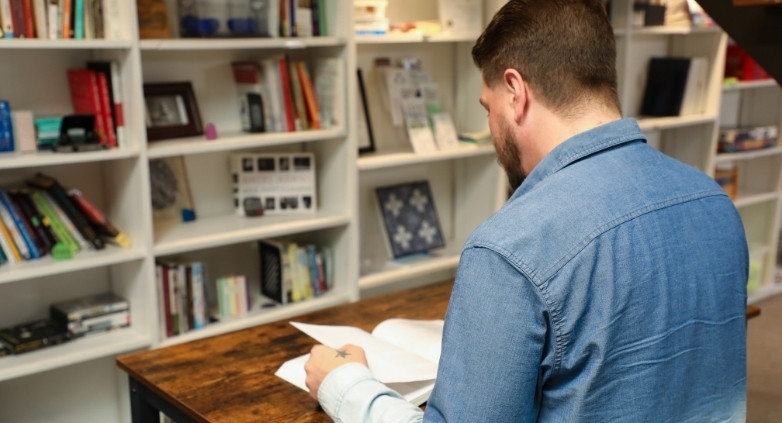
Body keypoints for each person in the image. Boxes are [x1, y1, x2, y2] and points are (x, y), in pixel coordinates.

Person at [305, 0, 749, 421]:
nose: (490, 123)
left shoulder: (511, 247)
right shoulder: (713, 201)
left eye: (488, 106)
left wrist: (345, 384)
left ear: (516, 92)